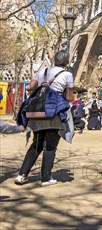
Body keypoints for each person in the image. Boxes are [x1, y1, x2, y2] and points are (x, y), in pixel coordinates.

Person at [15, 50, 73, 186]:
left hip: (38, 112)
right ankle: (45, 178)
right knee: (50, 147)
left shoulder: (43, 71)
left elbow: (29, 88)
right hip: (53, 114)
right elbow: (70, 97)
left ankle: (21, 175)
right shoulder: (67, 74)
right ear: (66, 61)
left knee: (36, 145)